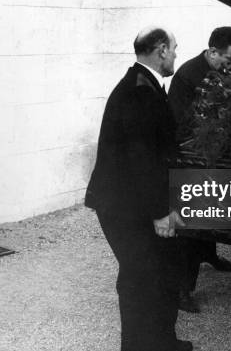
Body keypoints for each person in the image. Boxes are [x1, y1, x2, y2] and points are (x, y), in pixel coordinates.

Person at [85, 26, 191, 351]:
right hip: (124, 206)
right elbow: (142, 159)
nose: (175, 54)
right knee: (139, 278)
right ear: (160, 50)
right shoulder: (139, 91)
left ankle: (162, 342)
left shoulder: (145, 85)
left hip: (131, 201)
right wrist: (160, 212)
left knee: (155, 275)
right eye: (173, 48)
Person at [168, 26, 231, 313]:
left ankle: (209, 254)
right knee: (190, 226)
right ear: (212, 52)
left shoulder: (221, 71)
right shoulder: (188, 75)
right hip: (190, 155)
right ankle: (182, 290)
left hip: (212, 153)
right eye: (229, 59)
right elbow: (181, 121)